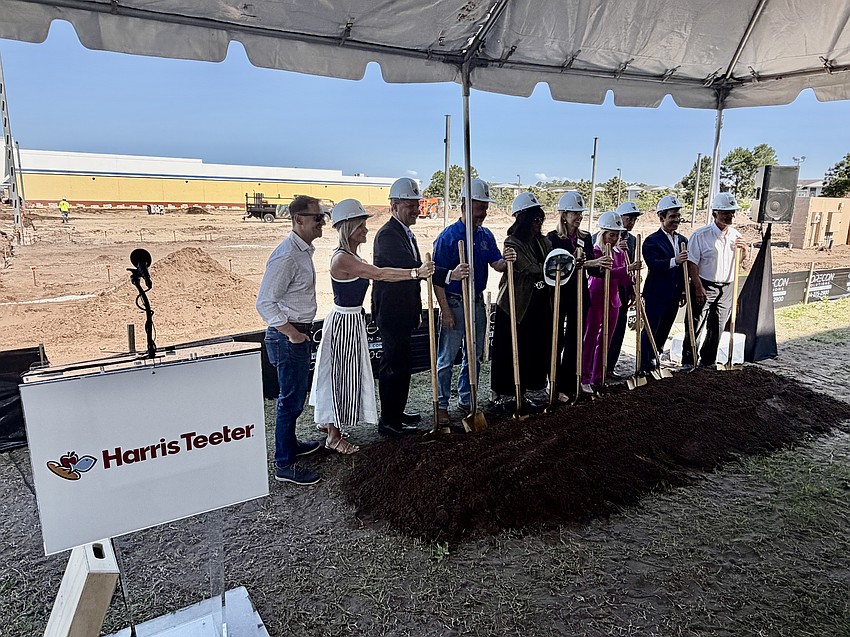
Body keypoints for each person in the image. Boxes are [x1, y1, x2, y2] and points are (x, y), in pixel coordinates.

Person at [310, 199, 435, 452]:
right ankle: (333, 436)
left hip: (352, 320)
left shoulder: (351, 256)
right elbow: (379, 274)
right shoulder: (342, 259)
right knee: (339, 376)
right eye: (361, 226)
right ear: (348, 228)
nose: (366, 230)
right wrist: (415, 273)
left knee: (343, 374)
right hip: (344, 322)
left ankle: (330, 425)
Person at [372, 177, 467, 437]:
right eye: (410, 205)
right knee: (394, 366)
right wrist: (448, 275)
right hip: (392, 312)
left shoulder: (404, 232)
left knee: (402, 364)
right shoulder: (387, 235)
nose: (416, 209)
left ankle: (397, 411)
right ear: (394, 206)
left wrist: (446, 274)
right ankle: (389, 421)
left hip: (403, 312)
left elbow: (420, 269)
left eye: (417, 204)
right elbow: (413, 268)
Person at [432, 179, 515, 425]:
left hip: (477, 302)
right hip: (455, 302)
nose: (484, 213)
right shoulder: (448, 237)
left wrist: (507, 261)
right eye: (480, 207)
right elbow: (437, 279)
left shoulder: (485, 235)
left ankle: (467, 399)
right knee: (446, 358)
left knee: (474, 354)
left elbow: (496, 264)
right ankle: (441, 405)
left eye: (485, 208)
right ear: (466, 206)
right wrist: (445, 311)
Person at [256, 195, 326, 485]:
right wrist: (292, 333)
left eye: (323, 217)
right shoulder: (287, 255)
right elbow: (265, 303)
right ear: (298, 219)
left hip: (294, 333)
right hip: (288, 336)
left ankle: (291, 446)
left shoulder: (301, 251)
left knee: (295, 397)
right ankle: (284, 463)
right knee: (290, 400)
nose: (322, 222)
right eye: (317, 217)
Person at [490, 192, 552, 407]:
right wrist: (551, 268)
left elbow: (551, 262)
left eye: (540, 219)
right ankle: (504, 391)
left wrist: (552, 267)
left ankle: (528, 388)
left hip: (539, 301)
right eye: (534, 219)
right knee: (509, 348)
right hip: (515, 304)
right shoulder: (512, 242)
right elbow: (529, 268)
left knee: (533, 346)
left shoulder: (543, 241)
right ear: (523, 220)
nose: (538, 223)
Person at [546, 191, 606, 400]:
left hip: (580, 293)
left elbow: (592, 268)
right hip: (560, 293)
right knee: (557, 338)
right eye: (574, 213)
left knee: (576, 338)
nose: (579, 216)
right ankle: (553, 382)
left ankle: (569, 383)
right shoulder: (552, 238)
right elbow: (554, 267)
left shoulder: (585, 237)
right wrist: (582, 262)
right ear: (564, 215)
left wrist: (602, 266)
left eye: (580, 213)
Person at [682, 192, 749, 368]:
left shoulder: (736, 236)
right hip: (704, 284)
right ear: (714, 213)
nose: (729, 216)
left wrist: (744, 252)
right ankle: (689, 361)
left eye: (732, 213)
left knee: (718, 326)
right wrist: (698, 287)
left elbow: (738, 262)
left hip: (727, 286)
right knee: (695, 323)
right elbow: (692, 263)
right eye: (725, 213)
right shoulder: (700, 235)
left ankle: (708, 361)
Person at [581, 211, 642, 392]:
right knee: (591, 338)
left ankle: (598, 377)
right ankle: (584, 377)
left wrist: (632, 279)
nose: (615, 239)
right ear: (603, 234)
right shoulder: (596, 252)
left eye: (617, 235)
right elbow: (606, 273)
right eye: (611, 235)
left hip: (614, 300)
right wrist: (626, 269)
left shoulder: (620, 252)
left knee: (606, 339)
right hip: (596, 296)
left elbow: (622, 278)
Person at [640, 195, 689, 372]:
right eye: (672, 216)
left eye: (678, 216)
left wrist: (682, 290)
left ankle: (656, 356)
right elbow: (653, 264)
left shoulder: (683, 240)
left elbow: (684, 270)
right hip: (656, 293)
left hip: (674, 293)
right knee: (651, 328)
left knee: (665, 327)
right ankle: (644, 362)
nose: (676, 220)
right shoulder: (652, 241)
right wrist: (675, 260)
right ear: (661, 217)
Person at [606, 201, 642, 377]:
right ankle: (598, 366)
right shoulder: (603, 235)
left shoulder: (632, 240)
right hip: (606, 288)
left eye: (634, 219)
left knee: (619, 327)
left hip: (623, 290)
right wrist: (616, 250)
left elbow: (631, 265)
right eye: (629, 218)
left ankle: (610, 366)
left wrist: (633, 289)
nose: (631, 222)